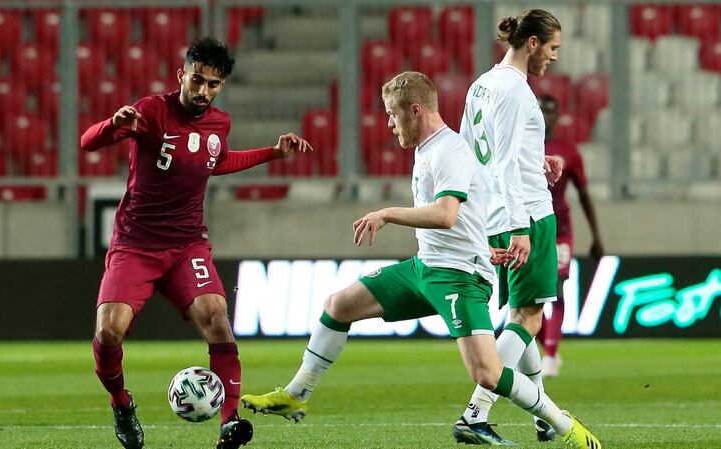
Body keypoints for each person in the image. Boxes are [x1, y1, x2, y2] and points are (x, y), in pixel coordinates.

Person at [240, 71, 602, 449]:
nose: (389, 123)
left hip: (458, 277)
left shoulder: (447, 151)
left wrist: (386, 214)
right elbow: (489, 169)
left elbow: (446, 213)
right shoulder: (434, 148)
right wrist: (536, 162)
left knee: (488, 373)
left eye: (393, 115)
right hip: (424, 266)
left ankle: (564, 425)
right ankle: (298, 393)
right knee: (338, 305)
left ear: (415, 110)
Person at [81, 37, 312, 449]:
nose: (203, 91)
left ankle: (230, 422)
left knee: (218, 321)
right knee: (109, 333)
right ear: (181, 75)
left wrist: (273, 154)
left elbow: (216, 161)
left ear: (221, 86)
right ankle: (121, 403)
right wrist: (111, 126)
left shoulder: (219, 123)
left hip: (188, 244)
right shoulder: (152, 111)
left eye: (213, 84)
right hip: (135, 245)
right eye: (197, 80)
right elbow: (88, 143)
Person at [453, 9, 584, 446]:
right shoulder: (515, 90)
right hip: (525, 214)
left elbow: (476, 153)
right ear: (532, 43)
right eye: (552, 48)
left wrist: (537, 160)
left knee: (519, 313)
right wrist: (519, 227)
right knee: (529, 319)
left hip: (496, 213)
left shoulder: (482, 85)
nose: (554, 57)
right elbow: (506, 161)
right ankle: (476, 412)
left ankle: (542, 415)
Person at [538, 95, 604, 377]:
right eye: (541, 110)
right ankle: (547, 349)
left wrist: (596, 236)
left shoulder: (568, 150)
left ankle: (551, 356)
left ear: (557, 117)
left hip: (560, 230)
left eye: (550, 111)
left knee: (557, 288)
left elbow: (584, 194)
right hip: (529, 231)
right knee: (527, 299)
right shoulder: (519, 145)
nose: (545, 116)